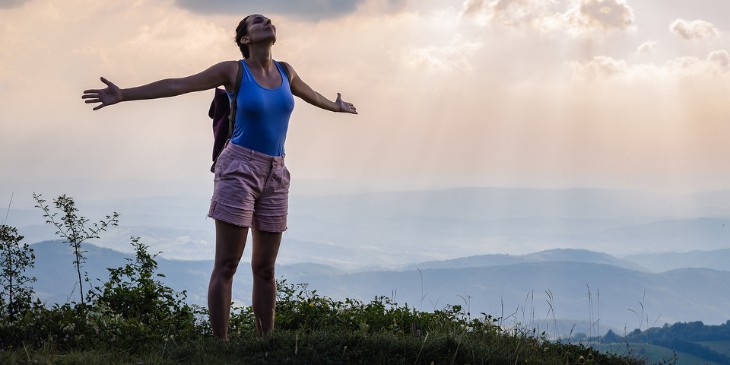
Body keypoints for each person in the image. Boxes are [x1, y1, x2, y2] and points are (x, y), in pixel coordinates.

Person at [82, 14, 357, 340]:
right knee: (227, 264)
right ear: (244, 39)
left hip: (277, 173)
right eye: (257, 22)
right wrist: (125, 94)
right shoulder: (233, 71)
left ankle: (264, 343)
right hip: (239, 168)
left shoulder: (286, 71)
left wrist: (335, 107)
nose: (267, 22)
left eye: (268, 20)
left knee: (265, 269)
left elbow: (313, 96)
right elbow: (177, 85)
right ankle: (221, 347)